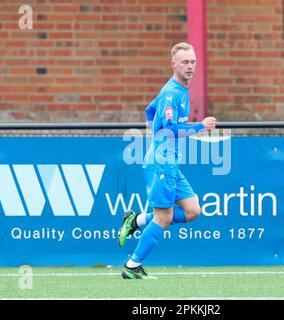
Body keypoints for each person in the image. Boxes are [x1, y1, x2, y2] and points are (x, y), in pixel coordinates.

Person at [117, 42, 216, 279]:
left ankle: (137, 220)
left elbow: (149, 111)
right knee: (164, 217)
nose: (190, 66)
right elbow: (171, 128)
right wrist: (200, 126)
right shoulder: (172, 93)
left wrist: (156, 134)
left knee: (192, 211)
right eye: (185, 62)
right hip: (161, 165)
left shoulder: (179, 90)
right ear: (174, 64)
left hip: (169, 163)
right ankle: (132, 265)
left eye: (193, 62)